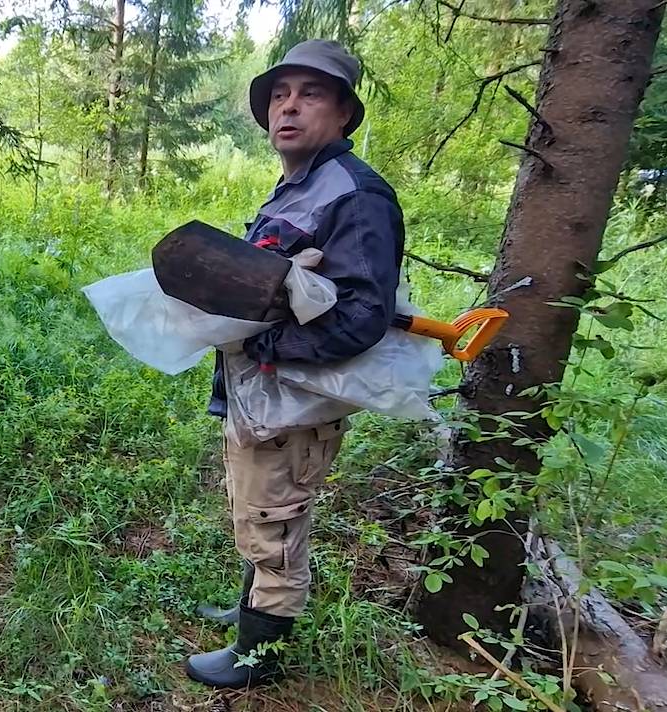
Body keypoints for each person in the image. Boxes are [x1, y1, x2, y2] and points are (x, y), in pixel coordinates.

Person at [185, 39, 406, 689]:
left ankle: (259, 657)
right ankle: (252, 607)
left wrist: (269, 348)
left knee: (276, 519)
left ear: (343, 114)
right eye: (280, 94)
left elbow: (364, 315)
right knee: (256, 506)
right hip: (262, 390)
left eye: (311, 94)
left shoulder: (356, 195)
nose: (289, 107)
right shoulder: (296, 186)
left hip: (297, 396)